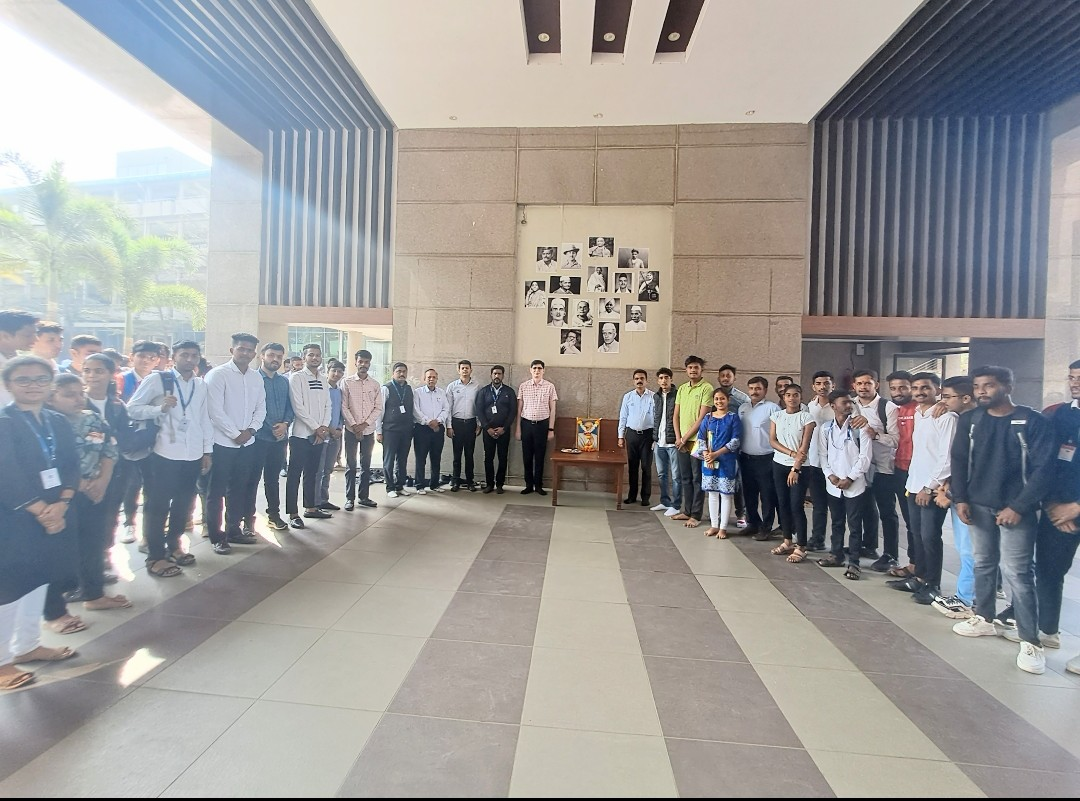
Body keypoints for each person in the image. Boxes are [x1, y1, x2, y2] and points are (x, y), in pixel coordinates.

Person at [951, 366, 1055, 676]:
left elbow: (1044, 469)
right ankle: (984, 617)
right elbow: (959, 460)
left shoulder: (1032, 421)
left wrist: (1019, 506)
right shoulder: (971, 420)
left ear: (1008, 386)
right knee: (983, 562)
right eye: (977, 386)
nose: (982, 391)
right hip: (978, 504)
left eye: (989, 385)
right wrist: (961, 498)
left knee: (1018, 572)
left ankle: (1030, 640)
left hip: (1016, 509)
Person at [0, 356, 81, 690]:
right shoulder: (5, 422)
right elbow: (6, 473)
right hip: (15, 516)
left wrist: (62, 503)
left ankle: (28, 644)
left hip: (55, 511)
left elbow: (71, 464)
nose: (33, 385)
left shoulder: (55, 420)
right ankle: (2, 661)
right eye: (23, 379)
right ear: (8, 385)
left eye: (40, 379)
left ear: (50, 384)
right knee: (9, 586)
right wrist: (41, 510)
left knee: (40, 578)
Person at [127, 340, 212, 577]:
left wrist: (206, 451)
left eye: (194, 355)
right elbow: (132, 408)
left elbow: (204, 419)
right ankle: (155, 556)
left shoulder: (200, 385)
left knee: (184, 503)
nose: (190, 359)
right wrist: (158, 409)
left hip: (192, 453)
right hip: (163, 453)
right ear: (174, 357)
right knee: (158, 505)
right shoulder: (158, 380)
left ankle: (174, 545)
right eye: (184, 355)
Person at [46, 374, 128, 616]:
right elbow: (50, 462)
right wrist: (79, 484)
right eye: (69, 395)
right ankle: (60, 601)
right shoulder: (46, 423)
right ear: (51, 398)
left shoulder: (92, 418)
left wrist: (102, 482)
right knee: (63, 547)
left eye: (80, 393)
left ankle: (94, 594)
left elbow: (109, 449)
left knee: (94, 542)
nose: (78, 399)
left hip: (96, 492)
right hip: (60, 496)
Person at [892, 372, 956, 605]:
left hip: (930, 487)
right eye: (916, 388)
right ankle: (919, 577)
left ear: (937, 390)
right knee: (916, 533)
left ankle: (932, 584)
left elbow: (946, 457)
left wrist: (929, 487)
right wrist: (915, 485)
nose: (920, 392)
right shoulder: (920, 414)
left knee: (930, 536)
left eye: (925, 387)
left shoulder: (946, 417)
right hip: (914, 483)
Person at [1036, 360, 1080, 671]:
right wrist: (1052, 504)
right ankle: (1047, 629)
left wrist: (1075, 508)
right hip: (1057, 510)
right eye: (1072, 377)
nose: (1075, 382)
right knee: (1049, 570)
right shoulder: (1059, 414)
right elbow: (1046, 460)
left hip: (1073, 508)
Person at [205, 332, 266, 554]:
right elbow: (214, 410)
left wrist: (250, 430)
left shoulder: (256, 377)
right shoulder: (217, 375)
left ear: (254, 354)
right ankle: (216, 536)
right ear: (232, 350)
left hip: (247, 444)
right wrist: (234, 433)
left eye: (250, 350)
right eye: (242, 349)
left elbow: (261, 408)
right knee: (216, 491)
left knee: (239, 489)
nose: (246, 353)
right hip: (222, 443)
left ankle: (233, 530)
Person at [930, 376, 978, 620]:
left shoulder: (977, 424)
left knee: (970, 550)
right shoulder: (964, 420)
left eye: (948, 397)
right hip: (959, 494)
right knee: (967, 548)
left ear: (966, 398)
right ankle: (975, 594)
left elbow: (971, 466)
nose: (943, 402)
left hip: (970, 498)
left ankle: (966, 599)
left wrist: (949, 493)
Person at [816, 389, 873, 580]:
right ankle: (836, 554)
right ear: (833, 406)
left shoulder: (860, 427)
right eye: (844, 402)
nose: (849, 405)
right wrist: (830, 475)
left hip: (854, 485)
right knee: (837, 522)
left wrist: (850, 478)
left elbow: (865, 458)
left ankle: (854, 562)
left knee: (855, 525)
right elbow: (823, 455)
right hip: (833, 484)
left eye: (850, 402)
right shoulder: (826, 428)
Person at [848, 368, 901, 569]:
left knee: (887, 511)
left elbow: (896, 440)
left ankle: (891, 554)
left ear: (876, 385)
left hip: (883, 467)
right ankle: (868, 545)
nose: (863, 387)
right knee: (865, 508)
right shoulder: (851, 404)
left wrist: (875, 434)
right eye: (859, 383)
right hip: (860, 466)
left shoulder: (888, 408)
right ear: (854, 385)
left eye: (868, 383)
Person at [117, 339, 163, 544]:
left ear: (158, 360)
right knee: (132, 484)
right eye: (142, 356)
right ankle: (129, 523)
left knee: (153, 486)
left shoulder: (161, 380)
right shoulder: (122, 380)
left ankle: (149, 531)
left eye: (151, 357)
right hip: (129, 441)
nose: (146, 361)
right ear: (131, 357)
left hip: (153, 440)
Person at [286, 343, 332, 528]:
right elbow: (298, 407)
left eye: (317, 355)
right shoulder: (297, 378)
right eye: (311, 355)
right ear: (304, 357)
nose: (315, 358)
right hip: (300, 435)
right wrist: (316, 427)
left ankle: (310, 507)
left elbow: (328, 405)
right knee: (294, 474)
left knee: (312, 473)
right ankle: (293, 513)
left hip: (319, 435)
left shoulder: (323, 379)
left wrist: (324, 427)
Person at [769, 383, 815, 563]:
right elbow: (772, 441)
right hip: (779, 464)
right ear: (783, 397)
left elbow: (804, 446)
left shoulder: (807, 417)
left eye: (796, 395)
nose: (792, 398)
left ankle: (801, 545)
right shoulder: (777, 416)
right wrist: (790, 453)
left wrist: (795, 468)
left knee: (796, 505)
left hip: (800, 467)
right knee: (783, 504)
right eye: (788, 395)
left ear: (801, 397)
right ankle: (787, 540)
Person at [253, 343, 293, 531]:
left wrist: (285, 424)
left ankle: (274, 515)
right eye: (271, 355)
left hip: (279, 439)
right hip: (258, 438)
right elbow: (252, 408)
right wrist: (272, 427)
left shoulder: (284, 381)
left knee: (272, 479)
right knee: (252, 480)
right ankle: (248, 519)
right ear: (262, 356)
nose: (275, 359)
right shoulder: (253, 379)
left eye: (279, 356)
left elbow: (290, 407)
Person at [673, 356, 714, 528]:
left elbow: (702, 418)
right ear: (686, 370)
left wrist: (684, 438)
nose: (693, 370)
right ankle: (687, 510)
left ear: (701, 369)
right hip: (681, 441)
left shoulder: (707, 388)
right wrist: (678, 437)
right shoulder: (682, 388)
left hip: (698, 441)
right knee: (685, 478)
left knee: (698, 479)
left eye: (696, 367)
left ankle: (696, 515)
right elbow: (675, 415)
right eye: (690, 367)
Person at [886, 371, 920, 578]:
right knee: (909, 520)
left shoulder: (923, 409)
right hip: (899, 470)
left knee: (918, 523)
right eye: (893, 388)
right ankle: (914, 563)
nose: (897, 392)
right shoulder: (894, 410)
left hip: (918, 473)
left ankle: (920, 568)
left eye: (903, 387)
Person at [738, 376, 780, 540]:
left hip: (766, 459)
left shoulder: (772, 408)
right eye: (751, 388)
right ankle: (753, 523)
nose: (754, 392)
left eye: (758, 389)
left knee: (767, 495)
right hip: (746, 458)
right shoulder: (743, 408)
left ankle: (766, 527)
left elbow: (779, 433)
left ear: (765, 390)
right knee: (749, 494)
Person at [697, 388, 742, 539]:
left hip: (727, 461)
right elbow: (701, 437)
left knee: (726, 494)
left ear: (728, 400)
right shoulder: (708, 417)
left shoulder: (733, 418)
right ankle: (714, 525)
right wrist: (706, 454)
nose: (719, 401)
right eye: (716, 399)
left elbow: (735, 440)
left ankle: (723, 528)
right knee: (712, 494)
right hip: (709, 461)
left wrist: (717, 453)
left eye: (722, 398)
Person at [341, 349, 381, 511]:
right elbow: (344, 406)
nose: (363, 365)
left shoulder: (375, 384)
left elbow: (378, 408)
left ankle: (363, 497)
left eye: (366, 362)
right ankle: (349, 499)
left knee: (366, 465)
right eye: (360, 362)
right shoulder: (347, 382)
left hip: (368, 430)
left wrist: (364, 425)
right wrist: (354, 425)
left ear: (369, 364)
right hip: (351, 430)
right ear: (355, 362)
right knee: (351, 465)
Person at [803, 371, 836, 551]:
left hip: (836, 465)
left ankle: (838, 544)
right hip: (815, 462)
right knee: (819, 504)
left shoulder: (840, 405)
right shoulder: (809, 407)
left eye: (826, 383)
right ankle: (818, 538)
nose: (823, 387)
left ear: (833, 385)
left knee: (838, 507)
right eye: (819, 383)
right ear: (813, 387)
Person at [516, 360, 558, 495]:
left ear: (543, 370)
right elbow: (519, 409)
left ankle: (538, 485)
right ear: (530, 370)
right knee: (527, 456)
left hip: (542, 425)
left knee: (540, 456)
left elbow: (553, 410)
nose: (537, 371)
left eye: (539, 368)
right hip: (526, 424)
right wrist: (518, 429)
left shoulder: (550, 387)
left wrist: (551, 429)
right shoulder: (523, 386)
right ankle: (528, 484)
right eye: (534, 368)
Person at [376, 363, 414, 498]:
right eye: (399, 371)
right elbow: (379, 411)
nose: (401, 374)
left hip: (406, 430)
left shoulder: (409, 389)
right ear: (393, 373)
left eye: (404, 371)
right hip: (390, 430)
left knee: (402, 460)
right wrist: (379, 431)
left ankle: (400, 485)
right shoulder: (386, 389)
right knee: (389, 460)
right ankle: (390, 487)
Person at [618, 369, 655, 507]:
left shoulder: (653, 397)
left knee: (646, 467)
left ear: (646, 381)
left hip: (647, 436)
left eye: (642, 378)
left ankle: (645, 497)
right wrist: (620, 436)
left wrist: (656, 437)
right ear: (633, 381)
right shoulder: (628, 397)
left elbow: (656, 418)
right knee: (632, 467)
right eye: (637, 378)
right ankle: (632, 496)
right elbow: (623, 417)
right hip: (632, 435)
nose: (639, 381)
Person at [477, 365, 516, 494]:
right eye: (494, 374)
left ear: (503, 375)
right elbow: (479, 411)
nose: (497, 376)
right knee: (488, 458)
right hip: (488, 431)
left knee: (502, 457)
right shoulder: (484, 391)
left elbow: (513, 412)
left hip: (503, 431)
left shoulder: (509, 392)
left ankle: (500, 484)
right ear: (491, 375)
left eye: (499, 374)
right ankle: (489, 484)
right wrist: (487, 428)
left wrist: (504, 428)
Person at [315, 359, 346, 512]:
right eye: (334, 371)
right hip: (322, 434)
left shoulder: (339, 391)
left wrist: (339, 428)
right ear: (328, 372)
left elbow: (340, 412)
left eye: (340, 372)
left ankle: (324, 499)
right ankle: (315, 502)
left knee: (328, 469)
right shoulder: (321, 389)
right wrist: (329, 429)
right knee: (318, 470)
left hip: (335, 435)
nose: (336, 374)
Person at [413, 368, 449, 494]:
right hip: (422, 429)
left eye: (434, 377)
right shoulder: (417, 392)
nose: (431, 379)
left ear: (437, 379)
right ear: (424, 379)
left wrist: (438, 421)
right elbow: (416, 410)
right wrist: (428, 421)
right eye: (429, 377)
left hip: (438, 429)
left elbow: (446, 409)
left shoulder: (441, 393)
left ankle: (435, 484)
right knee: (420, 458)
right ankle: (420, 485)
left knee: (436, 458)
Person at [446, 360, 481, 491]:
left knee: (469, 455)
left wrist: (479, 424)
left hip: (471, 423)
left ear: (471, 370)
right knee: (457, 455)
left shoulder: (477, 386)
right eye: (462, 368)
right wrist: (449, 426)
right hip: (457, 423)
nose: (465, 370)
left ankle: (470, 481)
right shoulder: (452, 386)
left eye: (467, 368)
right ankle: (456, 481)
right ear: (458, 370)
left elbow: (479, 407)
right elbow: (448, 408)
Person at [651, 368, 682, 516]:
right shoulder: (656, 396)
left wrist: (679, 438)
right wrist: (654, 438)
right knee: (661, 474)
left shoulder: (678, 395)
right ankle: (665, 501)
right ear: (658, 381)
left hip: (673, 442)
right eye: (661, 378)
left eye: (666, 377)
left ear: (671, 379)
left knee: (676, 476)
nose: (664, 380)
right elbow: (656, 418)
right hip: (659, 442)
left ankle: (676, 505)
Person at [0, 310, 40, 407]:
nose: (36, 339)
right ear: (5, 336)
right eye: (28, 335)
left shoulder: (23, 362)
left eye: (35, 334)